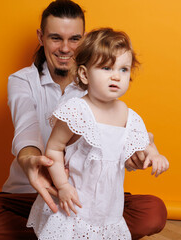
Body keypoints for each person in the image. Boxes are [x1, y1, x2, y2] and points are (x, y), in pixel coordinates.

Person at [0, 1, 169, 239]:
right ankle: (57, 231)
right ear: (41, 36)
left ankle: (68, 232)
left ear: (85, 39)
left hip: (92, 200)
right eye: (56, 38)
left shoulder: (104, 88)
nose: (66, 48)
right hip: (32, 192)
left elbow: (118, 148)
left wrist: (139, 156)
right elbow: (27, 132)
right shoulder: (23, 80)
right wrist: (32, 162)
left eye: (75, 39)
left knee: (153, 210)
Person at [26, 27, 168, 240]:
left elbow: (144, 142)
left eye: (123, 70)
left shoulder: (128, 115)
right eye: (106, 68)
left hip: (107, 206)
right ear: (84, 74)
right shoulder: (76, 110)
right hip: (74, 201)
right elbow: (54, 149)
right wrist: (62, 186)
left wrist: (155, 154)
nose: (116, 76)